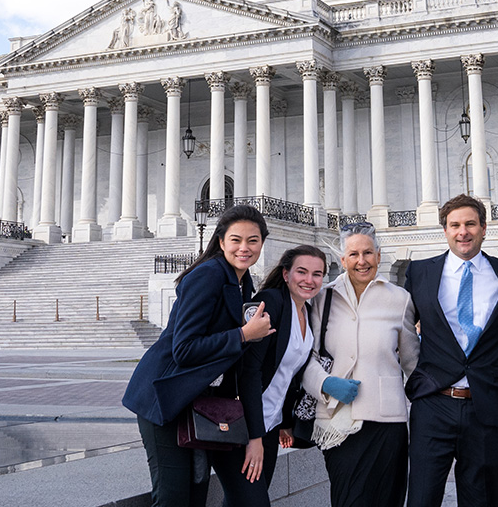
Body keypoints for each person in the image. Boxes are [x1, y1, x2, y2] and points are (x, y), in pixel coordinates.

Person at [122, 204, 275, 507]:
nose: (244, 248)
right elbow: (185, 349)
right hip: (164, 397)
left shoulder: (242, 282)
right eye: (236, 240)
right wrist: (244, 335)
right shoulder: (208, 275)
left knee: (196, 493)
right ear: (221, 241)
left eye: (253, 240)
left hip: (197, 401)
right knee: (173, 497)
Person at [404, 194, 498, 507]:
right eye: (455, 225)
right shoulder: (420, 273)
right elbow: (398, 327)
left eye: (470, 224)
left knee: (483, 498)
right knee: (421, 496)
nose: (463, 231)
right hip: (434, 402)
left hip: (486, 406)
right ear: (445, 230)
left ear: (484, 228)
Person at [301, 222, 419, 507]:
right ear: (342, 260)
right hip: (338, 422)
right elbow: (304, 357)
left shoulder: (399, 299)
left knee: (387, 500)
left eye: (368, 253)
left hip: (388, 423)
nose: (361, 261)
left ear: (378, 255)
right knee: (349, 500)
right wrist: (325, 384)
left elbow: (412, 362)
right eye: (353, 254)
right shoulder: (321, 298)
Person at [218, 245, 328, 507]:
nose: (309, 280)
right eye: (302, 272)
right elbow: (249, 372)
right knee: (252, 501)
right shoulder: (271, 303)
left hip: (268, 423)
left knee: (241, 501)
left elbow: (289, 374)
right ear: (286, 274)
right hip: (243, 423)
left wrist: (284, 422)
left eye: (317, 274)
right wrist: (253, 438)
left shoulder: (306, 310)